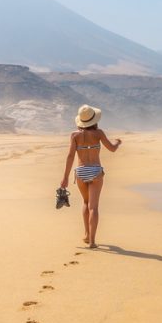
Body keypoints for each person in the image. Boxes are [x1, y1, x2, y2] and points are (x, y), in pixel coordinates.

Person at [60, 105, 121, 248]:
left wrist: (65, 177)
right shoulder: (98, 133)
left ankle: (86, 234)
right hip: (95, 171)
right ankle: (92, 241)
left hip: (80, 171)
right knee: (93, 207)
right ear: (94, 120)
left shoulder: (75, 135)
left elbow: (70, 156)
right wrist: (117, 143)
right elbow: (111, 149)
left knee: (85, 203)